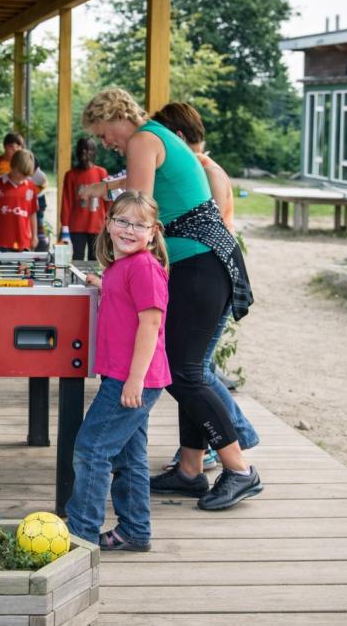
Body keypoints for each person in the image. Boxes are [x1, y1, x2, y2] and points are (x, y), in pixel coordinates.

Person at [81, 88, 261, 511]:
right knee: (186, 366)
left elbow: (137, 209)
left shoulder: (143, 139)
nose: (105, 142)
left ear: (117, 116)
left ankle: (239, 469)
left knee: (184, 371)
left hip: (200, 264)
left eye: (104, 132)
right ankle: (190, 470)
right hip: (203, 263)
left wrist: (115, 274)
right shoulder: (153, 137)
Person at [151, 103, 260, 470]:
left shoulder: (206, 170)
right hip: (200, 271)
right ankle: (193, 462)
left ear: (177, 137)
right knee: (193, 368)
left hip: (210, 271)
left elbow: (204, 227)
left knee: (193, 371)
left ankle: (234, 441)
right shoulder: (197, 167)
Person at [66, 191, 171, 552]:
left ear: (153, 232)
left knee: (91, 449)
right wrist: (100, 284)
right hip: (125, 377)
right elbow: (121, 294)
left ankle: (81, 534)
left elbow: (151, 324)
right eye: (122, 221)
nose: (129, 230)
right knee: (129, 456)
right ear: (108, 224)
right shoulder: (120, 267)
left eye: (139, 225)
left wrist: (135, 380)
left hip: (133, 378)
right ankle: (135, 530)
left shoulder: (144, 267)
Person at [0, 149, 38, 251]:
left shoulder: (31, 187)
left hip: (23, 243)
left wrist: (34, 236)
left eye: (26, 175)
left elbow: (32, 213)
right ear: (12, 166)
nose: (23, 177)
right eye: (21, 173)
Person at [59, 137, 109, 261]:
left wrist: (110, 220)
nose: (84, 152)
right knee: (77, 257)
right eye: (81, 149)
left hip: (97, 224)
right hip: (77, 225)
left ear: (94, 152)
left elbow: (107, 199)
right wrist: (64, 226)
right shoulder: (71, 175)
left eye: (88, 149)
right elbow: (66, 202)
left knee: (96, 258)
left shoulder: (101, 172)